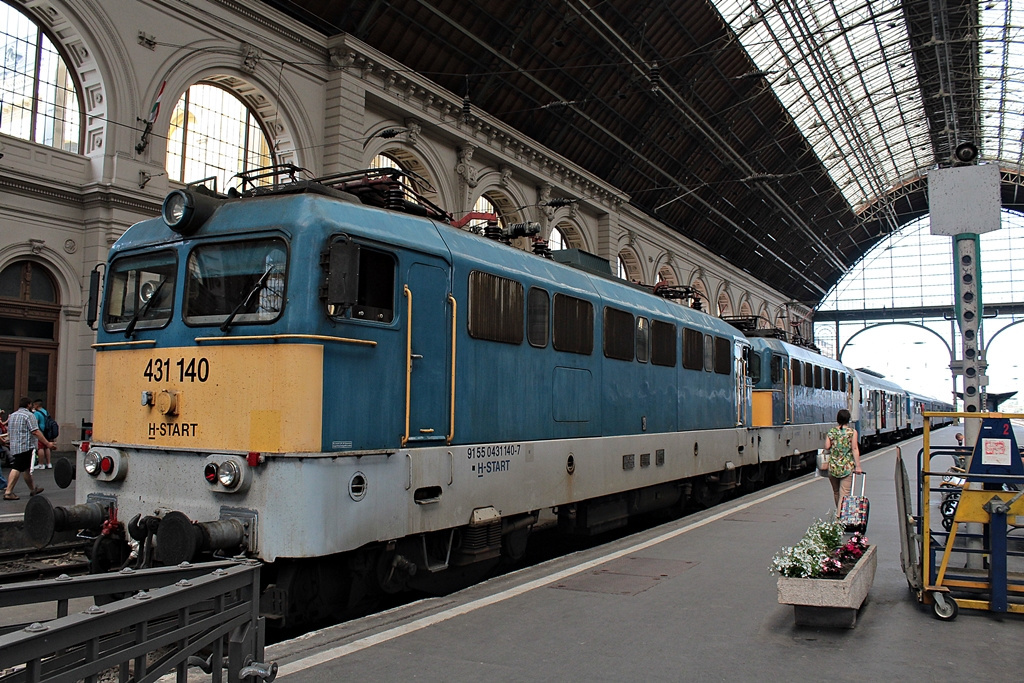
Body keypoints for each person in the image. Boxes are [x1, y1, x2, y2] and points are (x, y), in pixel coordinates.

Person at [4, 397, 51, 500]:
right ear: (29, 405)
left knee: (26, 469)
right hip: (25, 445)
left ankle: (32, 489)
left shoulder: (12, 415)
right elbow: (35, 431)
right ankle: (8, 492)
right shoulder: (29, 416)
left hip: (14, 445)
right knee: (17, 467)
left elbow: (10, 430)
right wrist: (47, 443)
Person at [825, 408, 862, 508]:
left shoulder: (831, 432)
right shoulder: (852, 432)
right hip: (846, 467)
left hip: (833, 467)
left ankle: (839, 512)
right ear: (848, 419)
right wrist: (858, 466)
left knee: (836, 492)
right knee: (844, 494)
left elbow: (827, 446)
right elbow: (854, 448)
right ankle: (840, 518)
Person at [32, 399, 53, 469]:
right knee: (46, 447)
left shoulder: (36, 413)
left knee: (40, 448)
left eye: (34, 405)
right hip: (47, 431)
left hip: (41, 431)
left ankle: (41, 464)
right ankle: (49, 463)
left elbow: (35, 422)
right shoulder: (45, 411)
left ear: (37, 405)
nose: (33, 406)